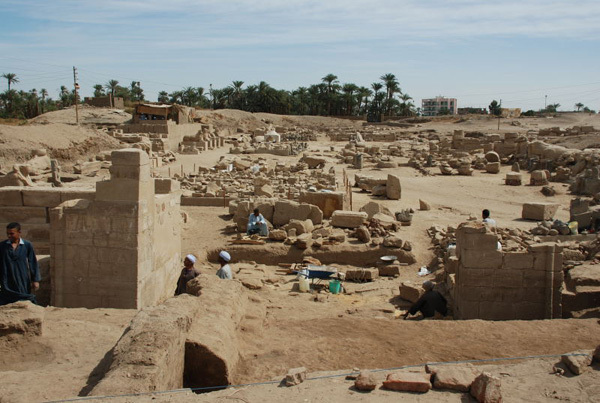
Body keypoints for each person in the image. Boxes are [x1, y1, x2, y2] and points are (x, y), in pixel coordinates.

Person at [0, 222, 40, 305]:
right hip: (7, 278)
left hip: (22, 278)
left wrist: (35, 280)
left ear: (19, 232)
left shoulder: (27, 245)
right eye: (8, 234)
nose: (9, 236)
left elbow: (32, 262)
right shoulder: (2, 246)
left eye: (12, 233)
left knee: (24, 298)